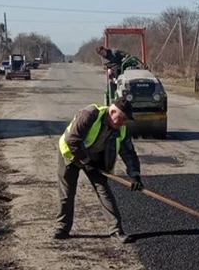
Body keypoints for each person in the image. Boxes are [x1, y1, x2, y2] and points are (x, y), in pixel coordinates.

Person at [55, 97, 144, 243]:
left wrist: (135, 175)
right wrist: (86, 162)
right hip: (70, 154)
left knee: (104, 192)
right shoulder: (90, 114)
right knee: (67, 192)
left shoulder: (121, 128)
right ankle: (62, 228)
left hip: (94, 158)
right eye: (122, 118)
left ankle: (116, 231)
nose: (123, 123)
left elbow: (128, 152)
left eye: (126, 120)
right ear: (113, 111)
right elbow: (72, 141)